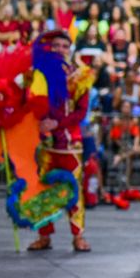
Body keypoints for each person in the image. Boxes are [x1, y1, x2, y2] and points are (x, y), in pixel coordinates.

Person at [28, 30, 95, 252]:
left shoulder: (80, 76)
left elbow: (80, 112)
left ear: (70, 49)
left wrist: (56, 124)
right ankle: (44, 236)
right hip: (46, 144)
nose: (59, 50)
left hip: (70, 145)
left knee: (74, 192)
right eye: (55, 45)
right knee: (44, 191)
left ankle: (78, 236)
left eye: (64, 46)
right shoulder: (38, 74)